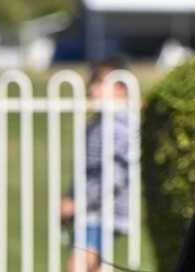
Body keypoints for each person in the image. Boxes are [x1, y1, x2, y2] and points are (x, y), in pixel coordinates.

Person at [60, 59, 133, 272]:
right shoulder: (96, 125)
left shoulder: (119, 127)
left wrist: (78, 202)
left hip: (104, 210)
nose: (93, 89)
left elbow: (114, 176)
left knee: (78, 266)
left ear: (120, 88)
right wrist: (71, 196)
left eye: (99, 83)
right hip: (91, 210)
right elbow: (85, 170)